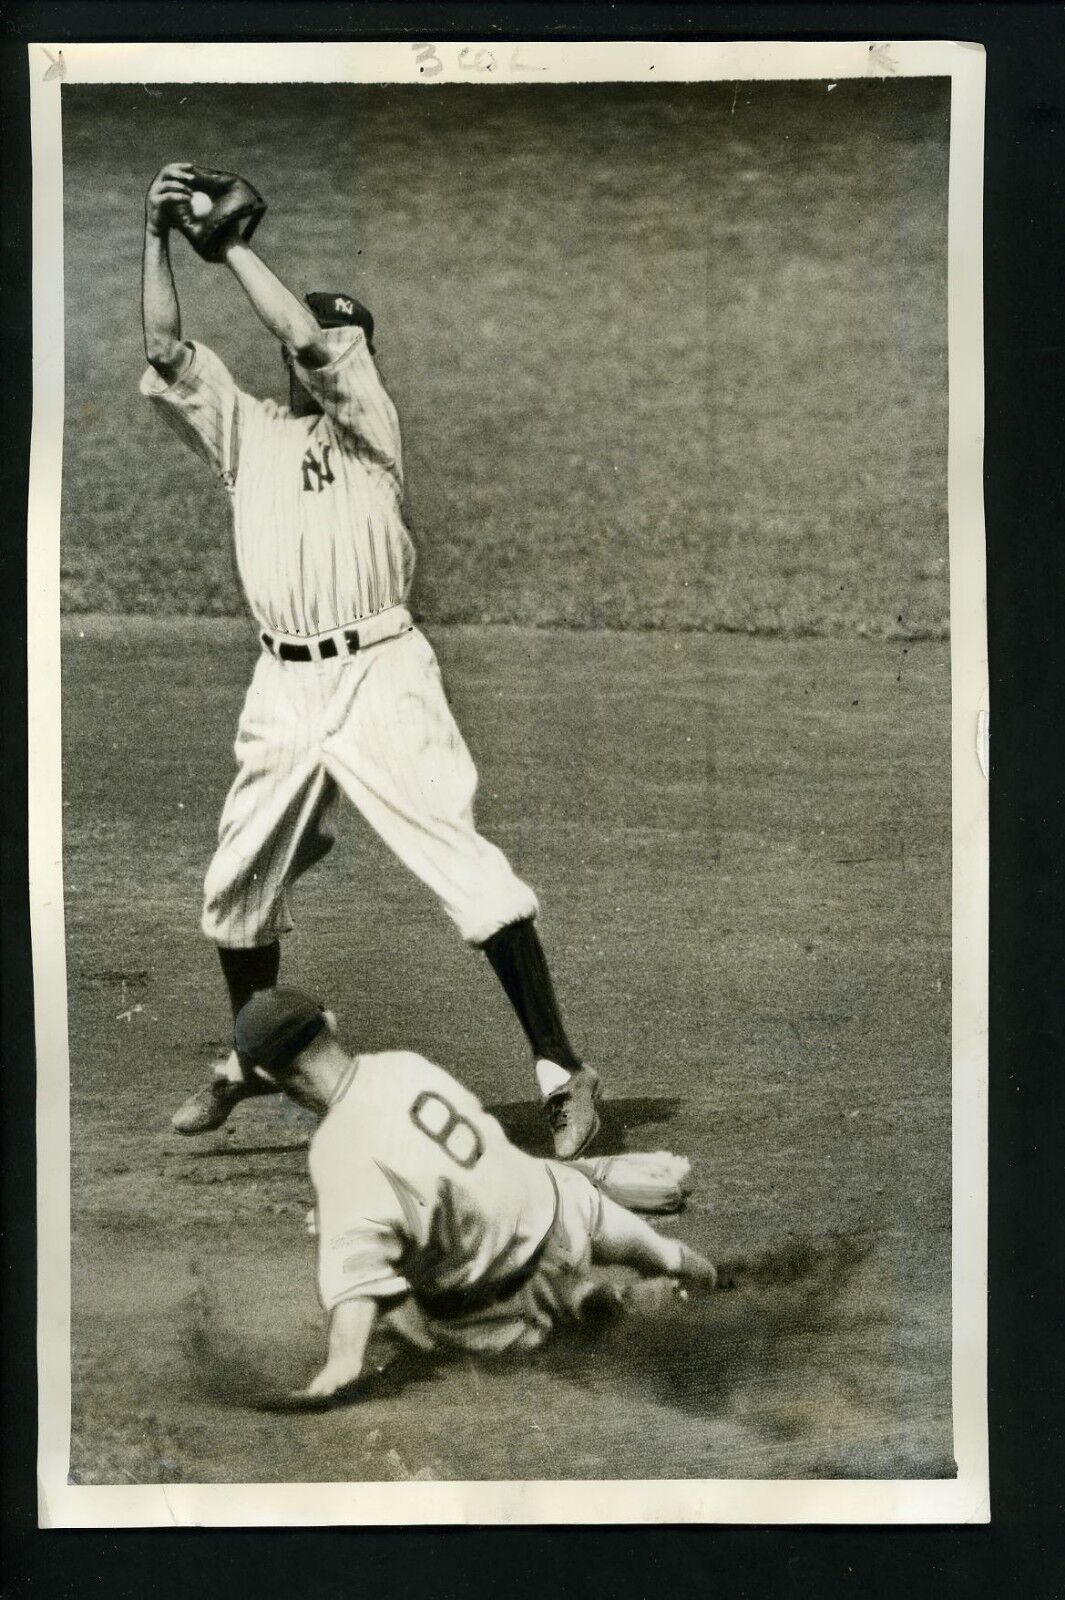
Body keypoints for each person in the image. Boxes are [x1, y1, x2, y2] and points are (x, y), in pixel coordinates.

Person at [139, 162, 600, 1158]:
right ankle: (255, 1054)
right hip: (283, 688)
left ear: (359, 357)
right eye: (313, 338)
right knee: (235, 888)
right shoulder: (246, 434)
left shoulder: (371, 434)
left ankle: (563, 1073)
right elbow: (167, 348)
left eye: (334, 341)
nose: (312, 348)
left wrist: (235, 248)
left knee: (466, 873)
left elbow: (301, 336)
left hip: (381, 678)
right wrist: (157, 239)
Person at [234, 988, 719, 1406]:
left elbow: (357, 1292)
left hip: (504, 1294)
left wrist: (337, 1369)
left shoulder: (339, 1154)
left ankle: (596, 1303)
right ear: (331, 1022)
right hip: (564, 1202)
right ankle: (695, 1271)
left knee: (405, 1318)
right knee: (657, 1253)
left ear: (274, 1079)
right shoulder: (404, 1065)